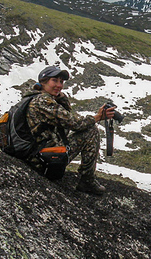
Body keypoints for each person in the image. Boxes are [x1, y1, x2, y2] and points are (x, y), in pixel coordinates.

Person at [24, 65, 115, 195]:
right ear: (43, 82)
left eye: (61, 82)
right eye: (54, 81)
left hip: (34, 155)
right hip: (40, 161)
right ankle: (87, 180)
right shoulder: (42, 101)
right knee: (91, 131)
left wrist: (61, 98)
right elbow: (74, 123)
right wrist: (98, 117)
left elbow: (64, 121)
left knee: (85, 130)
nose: (59, 85)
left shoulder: (33, 98)